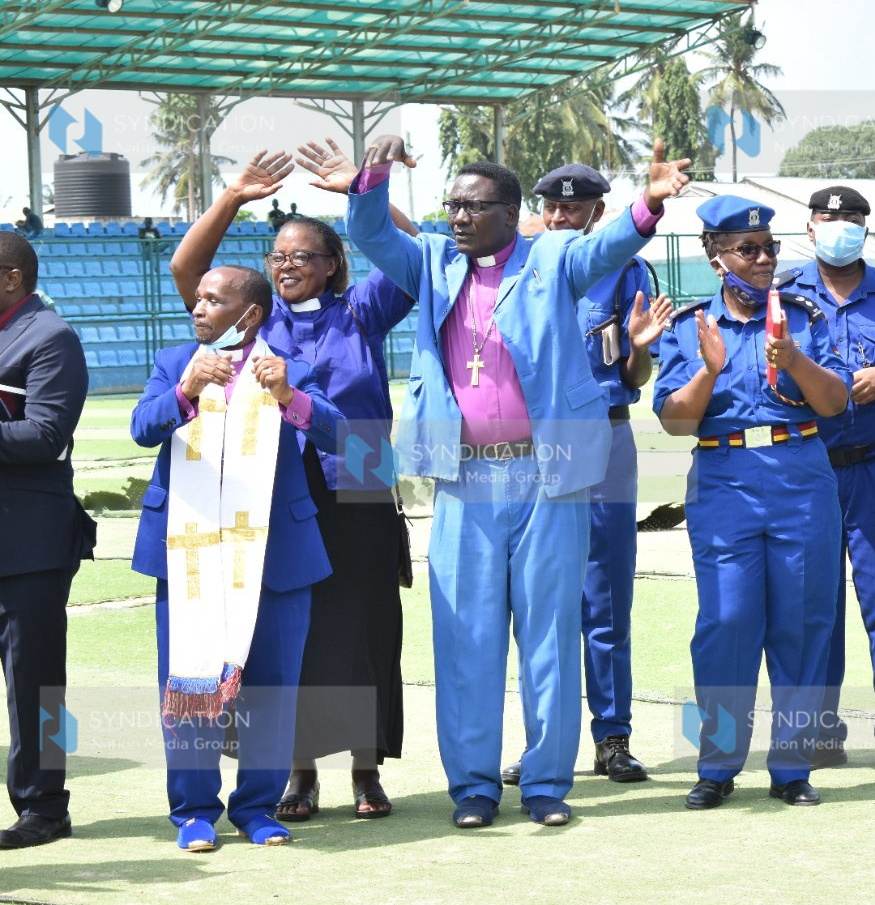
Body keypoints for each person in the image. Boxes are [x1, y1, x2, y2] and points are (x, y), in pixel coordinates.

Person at [345, 135, 689, 829]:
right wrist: (373, 176)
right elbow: (371, 232)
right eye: (453, 206)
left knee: (549, 635)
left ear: (509, 211)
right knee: (464, 635)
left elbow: (608, 250)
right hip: (464, 479)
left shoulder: (552, 256)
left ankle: (545, 784)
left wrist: (648, 204)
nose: (459, 218)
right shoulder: (434, 262)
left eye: (474, 207)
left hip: (546, 474)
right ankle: (472, 787)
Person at [171, 144, 417, 823]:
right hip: (278, 485)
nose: (285, 265)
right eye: (277, 255)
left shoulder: (363, 309)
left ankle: (367, 773)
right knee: (294, 636)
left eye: (302, 255)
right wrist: (233, 198)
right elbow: (188, 270)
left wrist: (363, 192)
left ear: (333, 265)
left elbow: (423, 256)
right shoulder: (253, 319)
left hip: (362, 471)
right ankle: (298, 775)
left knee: (366, 627)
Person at [130, 265, 342, 852]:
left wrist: (288, 395)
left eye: (213, 300)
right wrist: (185, 391)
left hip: (275, 556)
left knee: (272, 688)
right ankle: (194, 811)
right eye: (198, 299)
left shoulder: (289, 366)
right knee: (189, 681)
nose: (198, 308)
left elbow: (344, 435)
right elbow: (142, 429)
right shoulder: (176, 360)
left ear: (249, 314)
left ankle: (257, 808)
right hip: (189, 552)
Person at [653, 195, 852, 809]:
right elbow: (674, 421)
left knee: (802, 623)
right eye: (747, 249)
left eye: (769, 248)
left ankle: (792, 768)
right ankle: (716, 764)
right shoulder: (691, 328)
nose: (763, 258)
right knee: (725, 624)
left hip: (800, 472)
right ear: (716, 258)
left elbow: (835, 402)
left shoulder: (806, 316)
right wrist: (708, 372)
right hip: (724, 476)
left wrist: (792, 358)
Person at [498, 163, 674, 788]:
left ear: (599, 214)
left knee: (604, 593)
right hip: (527, 446)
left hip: (601, 434)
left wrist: (642, 347)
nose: (561, 218)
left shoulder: (625, 270)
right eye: (552, 207)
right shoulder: (516, 267)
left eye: (575, 209)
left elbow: (633, 377)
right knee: (539, 602)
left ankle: (613, 736)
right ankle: (543, 742)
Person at [776, 185, 875, 773]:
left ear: (866, 229)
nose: (839, 227)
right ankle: (820, 731)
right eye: (827, 218)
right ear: (810, 228)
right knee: (812, 604)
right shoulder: (782, 295)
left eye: (851, 220)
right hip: (807, 466)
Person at [0, 232, 93, 850]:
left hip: (27, 543)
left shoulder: (50, 335)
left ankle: (45, 805)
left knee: (38, 684)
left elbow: (46, 434)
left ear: (10, 278)